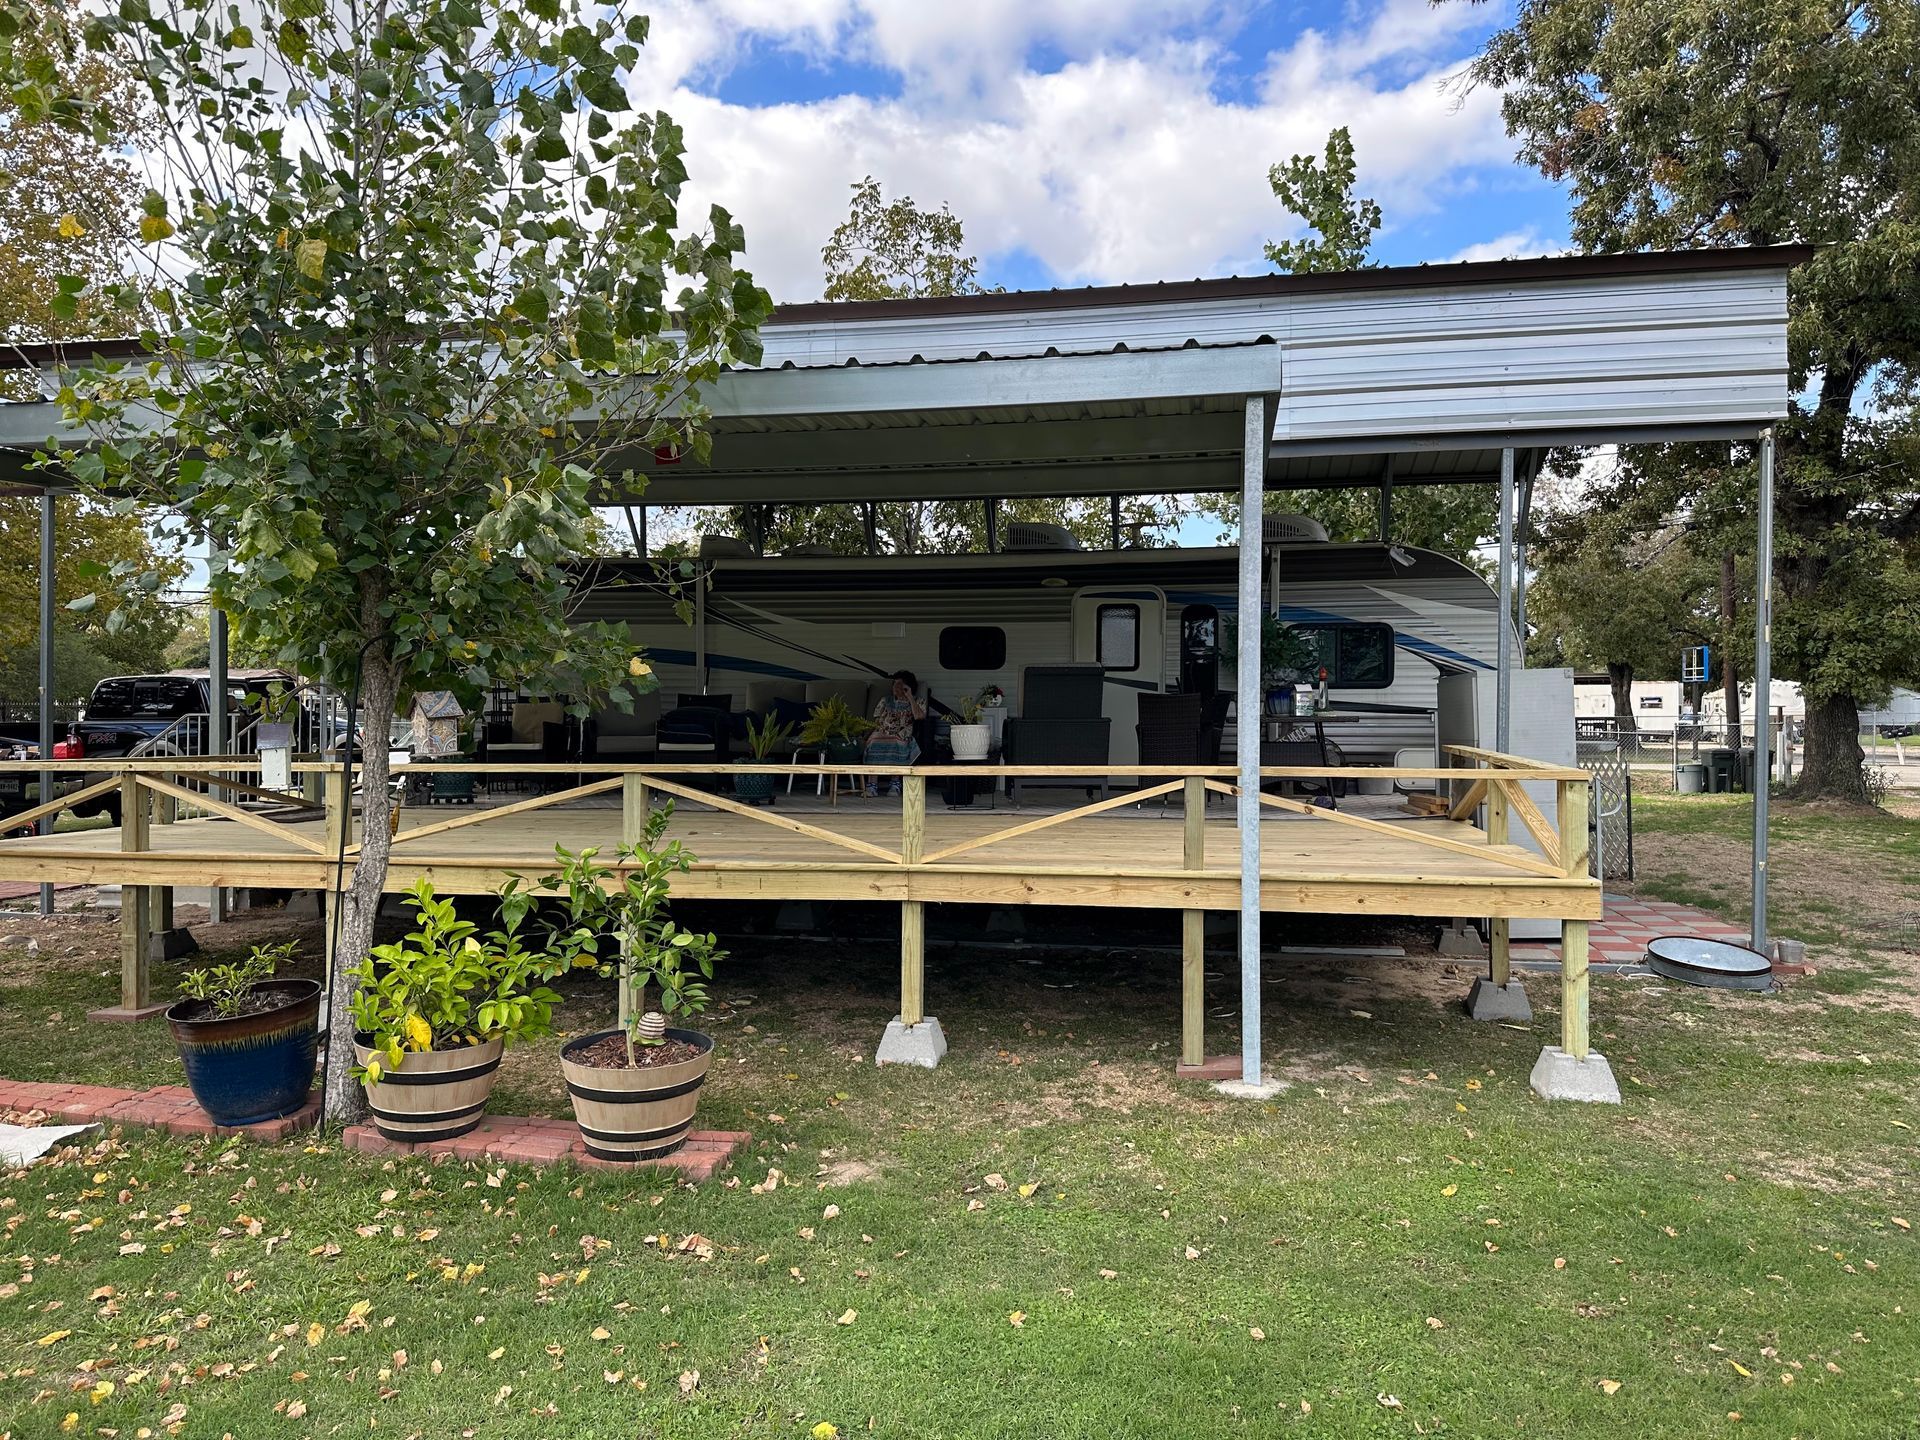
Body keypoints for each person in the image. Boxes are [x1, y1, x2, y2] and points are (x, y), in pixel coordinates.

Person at [864, 670, 926, 797]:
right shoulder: (885, 700)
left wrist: (909, 697)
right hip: (882, 731)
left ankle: (895, 783)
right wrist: (868, 735)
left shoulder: (918, 701)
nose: (895, 688)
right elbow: (876, 720)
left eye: (899, 685)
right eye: (894, 684)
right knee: (874, 741)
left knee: (897, 742)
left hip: (902, 734)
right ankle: (872, 785)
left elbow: (919, 716)